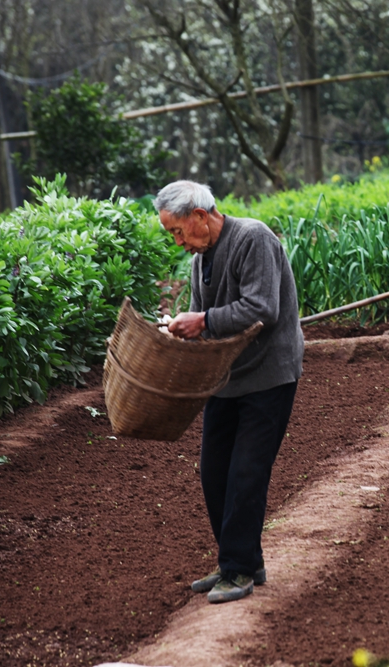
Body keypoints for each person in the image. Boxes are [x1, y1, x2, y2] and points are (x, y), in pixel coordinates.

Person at [155, 180, 304, 604]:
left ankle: (237, 569)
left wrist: (201, 321)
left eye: (179, 231)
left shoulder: (252, 238)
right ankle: (240, 560)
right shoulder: (200, 259)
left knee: (247, 472)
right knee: (214, 471)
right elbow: (211, 319)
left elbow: (262, 308)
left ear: (201, 216)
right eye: (172, 234)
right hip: (227, 377)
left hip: (269, 374)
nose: (179, 241)